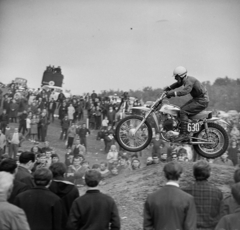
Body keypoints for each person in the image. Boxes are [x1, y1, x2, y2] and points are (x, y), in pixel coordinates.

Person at [143, 162, 197, 229]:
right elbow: (190, 227)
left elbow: (147, 226)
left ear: (164, 174)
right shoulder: (188, 199)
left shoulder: (151, 198)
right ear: (181, 175)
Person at [164, 66, 209, 142]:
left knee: (183, 111)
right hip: (198, 99)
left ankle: (184, 134)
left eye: (176, 77)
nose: (175, 79)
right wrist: (169, 88)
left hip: (202, 100)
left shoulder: (189, 81)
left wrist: (172, 93)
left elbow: (185, 91)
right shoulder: (185, 80)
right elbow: (178, 84)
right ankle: (184, 130)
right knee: (180, 110)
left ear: (181, 76)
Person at [183, 160, 223, 230]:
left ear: (194, 173)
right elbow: (220, 214)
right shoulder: (217, 192)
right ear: (209, 173)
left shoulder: (185, 191)